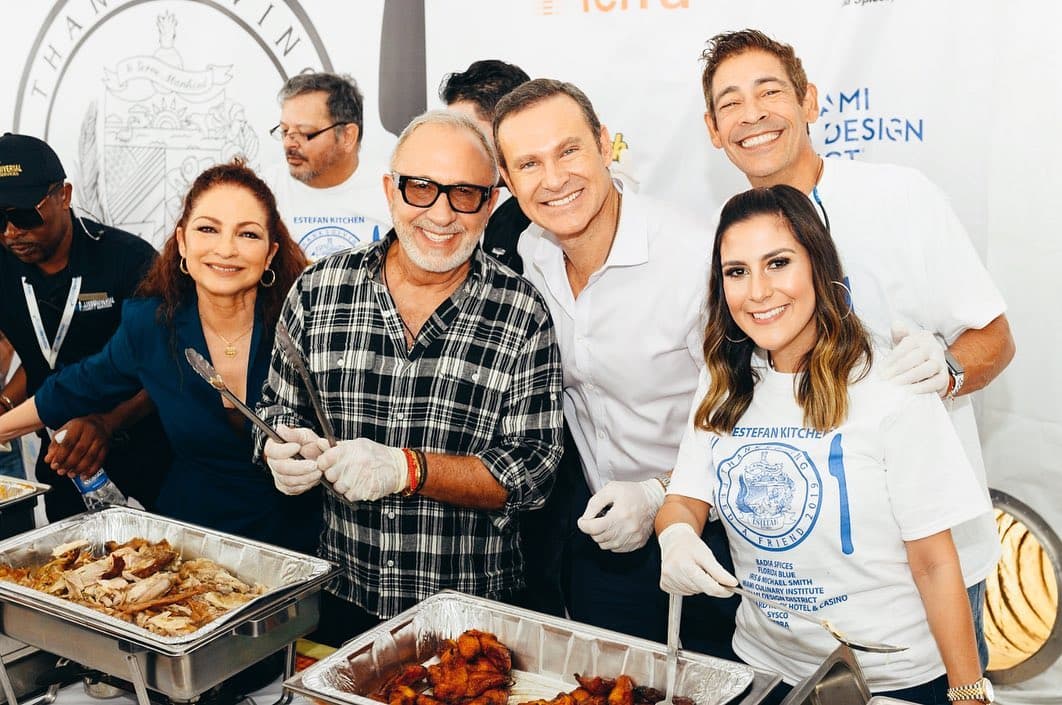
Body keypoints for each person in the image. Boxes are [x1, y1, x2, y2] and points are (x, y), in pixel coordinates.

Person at [699, 29, 1016, 668]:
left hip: (929, 558)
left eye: (769, 92)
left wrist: (948, 369)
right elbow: (726, 388)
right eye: (730, 103)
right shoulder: (731, 233)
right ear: (712, 130)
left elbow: (996, 338)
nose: (752, 115)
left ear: (810, 100)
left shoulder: (900, 198)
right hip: (800, 582)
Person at [657, 184, 991, 705]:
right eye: (736, 271)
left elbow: (934, 561)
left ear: (818, 265)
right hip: (763, 670)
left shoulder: (889, 384)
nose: (758, 291)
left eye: (778, 263)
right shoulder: (722, 380)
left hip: (892, 678)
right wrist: (676, 535)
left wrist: (968, 692)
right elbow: (685, 498)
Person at [258, 110, 564, 647]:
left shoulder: (522, 311)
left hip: (473, 620)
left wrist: (408, 469)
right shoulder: (318, 289)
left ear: (490, 203)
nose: (441, 214)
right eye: (421, 188)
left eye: (465, 193)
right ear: (390, 190)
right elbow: (276, 409)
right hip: (342, 598)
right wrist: (277, 447)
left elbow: (532, 473)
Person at [0, 160, 320, 555]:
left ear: (270, 253)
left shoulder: (309, 325)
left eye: (247, 234)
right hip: (193, 541)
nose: (226, 249)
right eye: (208, 229)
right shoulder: (151, 325)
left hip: (300, 539)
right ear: (182, 242)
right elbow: (73, 388)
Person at [493, 79, 712, 643]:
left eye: (568, 150)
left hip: (710, 531)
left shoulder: (692, 255)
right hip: (603, 539)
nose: (554, 179)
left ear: (604, 144)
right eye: (529, 164)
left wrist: (661, 493)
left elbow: (747, 406)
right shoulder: (532, 253)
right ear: (509, 182)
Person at [0, 132, 170, 522]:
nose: (10, 232)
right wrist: (7, 403)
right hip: (60, 462)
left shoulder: (129, 260)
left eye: (23, 215)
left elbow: (166, 364)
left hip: (144, 456)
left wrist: (108, 422)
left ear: (64, 195)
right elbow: (40, 354)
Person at [263, 72, 391, 260]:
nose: (289, 143)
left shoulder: (391, 192)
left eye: (305, 132)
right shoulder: (267, 189)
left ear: (347, 136)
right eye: (284, 131)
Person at [439, 59, 532, 273]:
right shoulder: (501, 214)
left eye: (466, 133)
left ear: (507, 126)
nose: (455, 147)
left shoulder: (551, 208)